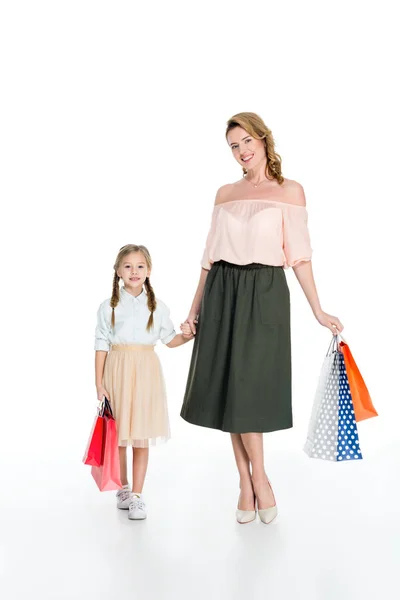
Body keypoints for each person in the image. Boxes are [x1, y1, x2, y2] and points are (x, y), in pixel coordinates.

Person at [180, 112, 343, 525]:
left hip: (265, 291)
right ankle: (246, 482)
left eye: (247, 141)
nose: (242, 151)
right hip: (222, 290)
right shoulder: (224, 193)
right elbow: (208, 258)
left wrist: (318, 309)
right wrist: (193, 310)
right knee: (227, 390)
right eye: (234, 146)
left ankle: (262, 480)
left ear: (264, 140)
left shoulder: (290, 191)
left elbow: (300, 257)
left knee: (248, 389)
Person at [95, 244, 193, 520]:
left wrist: (188, 335)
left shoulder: (158, 308)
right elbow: (101, 343)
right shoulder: (108, 306)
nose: (134, 271)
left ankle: (137, 495)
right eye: (128, 266)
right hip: (117, 369)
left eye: (140, 266)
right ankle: (123, 488)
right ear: (117, 271)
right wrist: (99, 383)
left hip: (146, 370)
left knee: (140, 436)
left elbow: (170, 340)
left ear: (149, 271)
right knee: (120, 436)